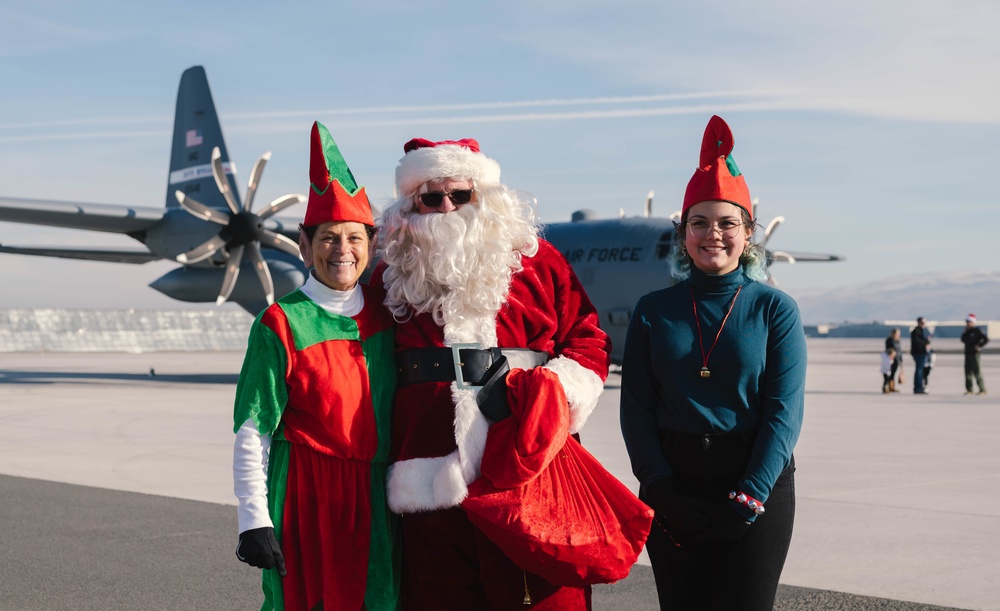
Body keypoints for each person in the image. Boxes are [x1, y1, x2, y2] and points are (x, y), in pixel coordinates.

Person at [372, 137, 613, 610]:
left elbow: (588, 339)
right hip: (428, 478)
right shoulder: (390, 272)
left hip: (529, 464)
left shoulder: (539, 261)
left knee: (543, 597)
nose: (446, 208)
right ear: (409, 205)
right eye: (431, 197)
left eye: (460, 196)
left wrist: (553, 392)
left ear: (484, 197)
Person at [620, 115, 806, 610]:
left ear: (749, 233)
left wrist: (749, 497)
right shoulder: (654, 310)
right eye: (699, 223)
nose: (713, 234)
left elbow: (783, 414)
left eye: (727, 223)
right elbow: (636, 408)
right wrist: (659, 487)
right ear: (684, 233)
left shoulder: (774, 309)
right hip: (671, 481)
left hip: (754, 483)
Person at [231, 122, 398, 610]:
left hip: (378, 496)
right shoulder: (281, 323)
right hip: (307, 497)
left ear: (370, 246)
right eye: (328, 238)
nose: (342, 251)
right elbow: (252, 428)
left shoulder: (390, 315)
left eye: (354, 238)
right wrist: (253, 519)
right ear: (304, 246)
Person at [961, 313, 989, 395]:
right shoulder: (967, 331)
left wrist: (979, 346)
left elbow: (986, 339)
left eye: (969, 322)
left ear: (973, 322)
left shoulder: (977, 331)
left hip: (975, 354)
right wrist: (965, 332)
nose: (968, 323)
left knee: (977, 372)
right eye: (967, 322)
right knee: (967, 372)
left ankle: (982, 389)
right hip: (967, 353)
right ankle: (969, 389)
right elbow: (962, 340)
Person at [911, 317, 932, 394]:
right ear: (918, 323)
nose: (924, 325)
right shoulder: (916, 331)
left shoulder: (924, 330)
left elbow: (929, 338)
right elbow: (917, 342)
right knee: (919, 371)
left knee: (922, 370)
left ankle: (920, 386)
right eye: (922, 323)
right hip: (918, 353)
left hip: (923, 353)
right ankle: (918, 387)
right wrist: (925, 343)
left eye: (925, 323)